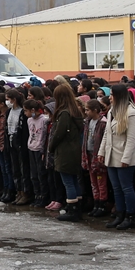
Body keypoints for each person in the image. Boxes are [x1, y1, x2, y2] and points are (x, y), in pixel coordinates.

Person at [98, 83, 135, 230]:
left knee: (126, 187)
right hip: (111, 155)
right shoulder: (111, 112)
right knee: (116, 188)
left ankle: (130, 216)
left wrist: (126, 158)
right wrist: (101, 152)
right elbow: (107, 134)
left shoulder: (131, 113)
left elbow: (132, 139)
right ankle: (119, 214)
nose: (109, 97)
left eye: (111, 95)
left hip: (123, 156)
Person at [50, 83, 86, 222]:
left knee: (68, 182)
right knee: (74, 180)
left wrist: (51, 147)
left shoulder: (64, 112)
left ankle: (72, 209)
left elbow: (59, 133)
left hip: (65, 151)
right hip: (74, 149)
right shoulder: (75, 111)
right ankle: (77, 207)